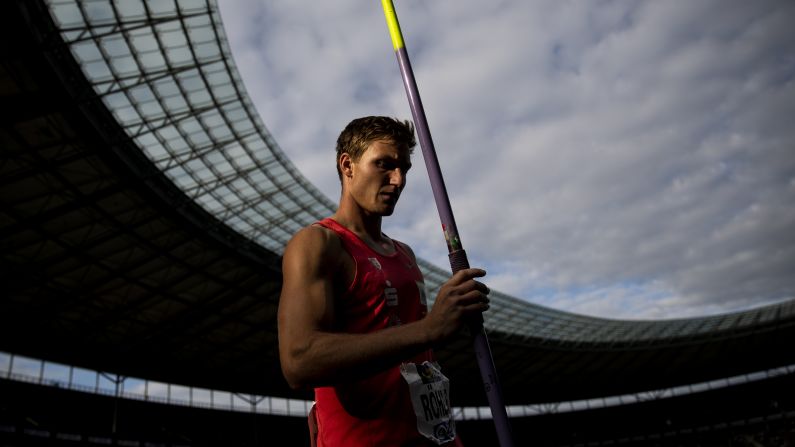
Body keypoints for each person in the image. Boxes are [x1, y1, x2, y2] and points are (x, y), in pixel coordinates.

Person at [278, 116, 490, 446]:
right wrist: (431, 327)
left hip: (436, 435)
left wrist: (457, 310)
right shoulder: (318, 244)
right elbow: (299, 360)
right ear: (347, 166)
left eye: (404, 168)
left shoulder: (404, 253)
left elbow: (414, 355)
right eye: (384, 165)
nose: (398, 179)